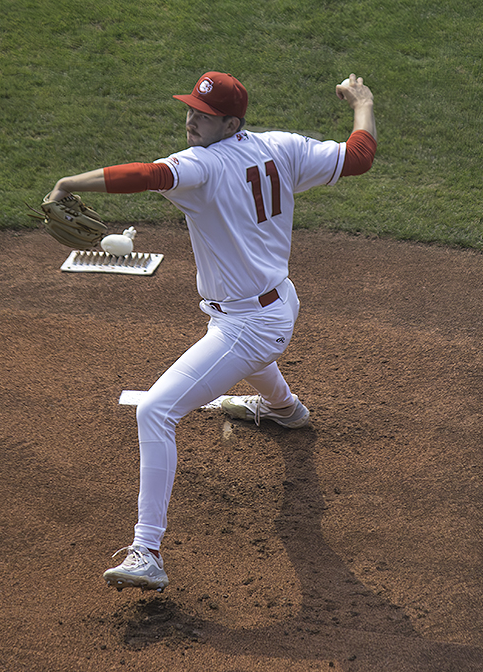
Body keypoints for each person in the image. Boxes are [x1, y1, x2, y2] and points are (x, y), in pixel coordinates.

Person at [47, 71, 377, 591]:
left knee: (157, 410)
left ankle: (146, 551)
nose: (191, 119)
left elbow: (144, 175)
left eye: (203, 114)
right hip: (276, 305)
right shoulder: (282, 147)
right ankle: (285, 409)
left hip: (251, 325)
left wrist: (70, 184)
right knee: (237, 343)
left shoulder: (200, 166)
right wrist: (363, 102)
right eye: (190, 109)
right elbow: (359, 156)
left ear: (231, 122)